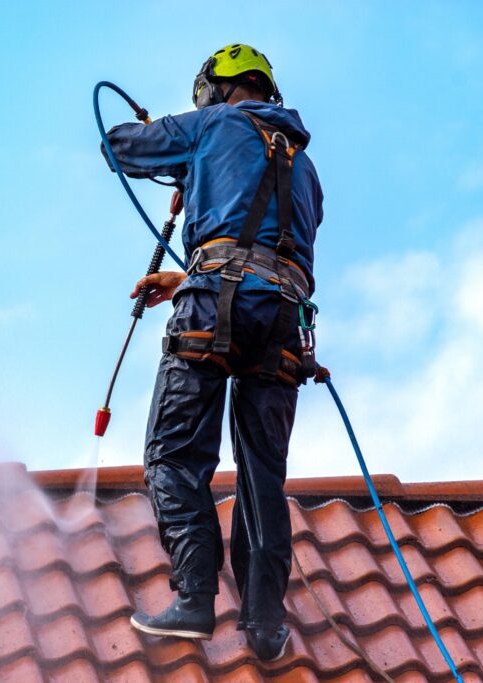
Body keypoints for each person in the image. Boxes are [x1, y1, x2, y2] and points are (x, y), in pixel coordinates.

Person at [101, 44, 323, 662]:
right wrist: (186, 268)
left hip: (214, 309)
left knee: (173, 452)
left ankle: (195, 597)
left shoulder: (213, 123)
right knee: (261, 475)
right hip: (283, 321)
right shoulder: (306, 168)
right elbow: (267, 249)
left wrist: (175, 147)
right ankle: (265, 625)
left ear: (215, 88)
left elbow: (117, 145)